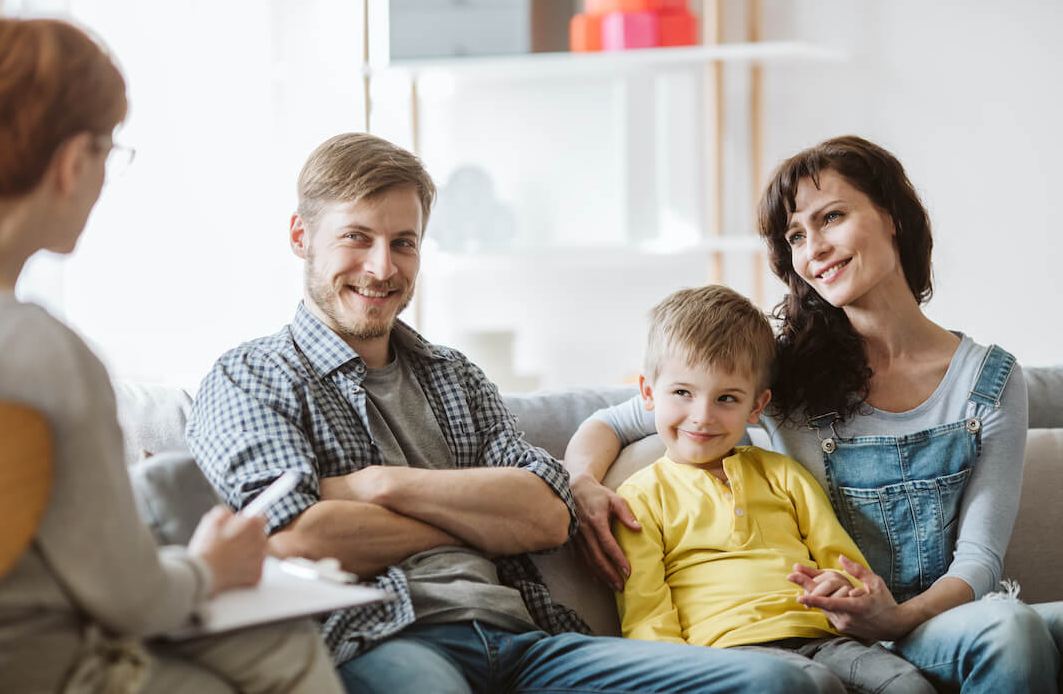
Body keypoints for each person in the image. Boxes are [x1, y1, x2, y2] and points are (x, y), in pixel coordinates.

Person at [186, 131, 830, 694]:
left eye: (403, 242)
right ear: (302, 236)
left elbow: (547, 516)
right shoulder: (250, 379)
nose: (382, 267)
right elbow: (291, 541)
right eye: (356, 237)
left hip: (527, 640)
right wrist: (482, 522)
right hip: (386, 639)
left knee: (774, 682)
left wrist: (381, 486)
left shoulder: (455, 376)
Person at [565, 135, 1063, 693]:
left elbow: (978, 560)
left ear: (891, 215)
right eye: (796, 236)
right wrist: (580, 483)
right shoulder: (780, 372)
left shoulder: (988, 381)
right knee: (1019, 631)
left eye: (831, 217)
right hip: (820, 633)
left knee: (1016, 627)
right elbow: (614, 420)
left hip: (931, 624)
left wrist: (895, 617)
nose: (814, 248)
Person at [0, 13, 343, 694]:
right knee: (286, 651)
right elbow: (132, 599)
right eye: (109, 153)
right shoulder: (45, 356)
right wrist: (211, 565)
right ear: (69, 163)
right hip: (41, 668)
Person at [613, 285, 933, 693]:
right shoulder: (639, 497)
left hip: (824, 639)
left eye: (726, 398)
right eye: (682, 393)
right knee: (813, 685)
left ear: (756, 407)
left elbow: (840, 559)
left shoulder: (783, 474)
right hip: (728, 654)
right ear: (647, 392)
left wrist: (842, 588)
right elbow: (646, 614)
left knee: (907, 683)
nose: (702, 416)